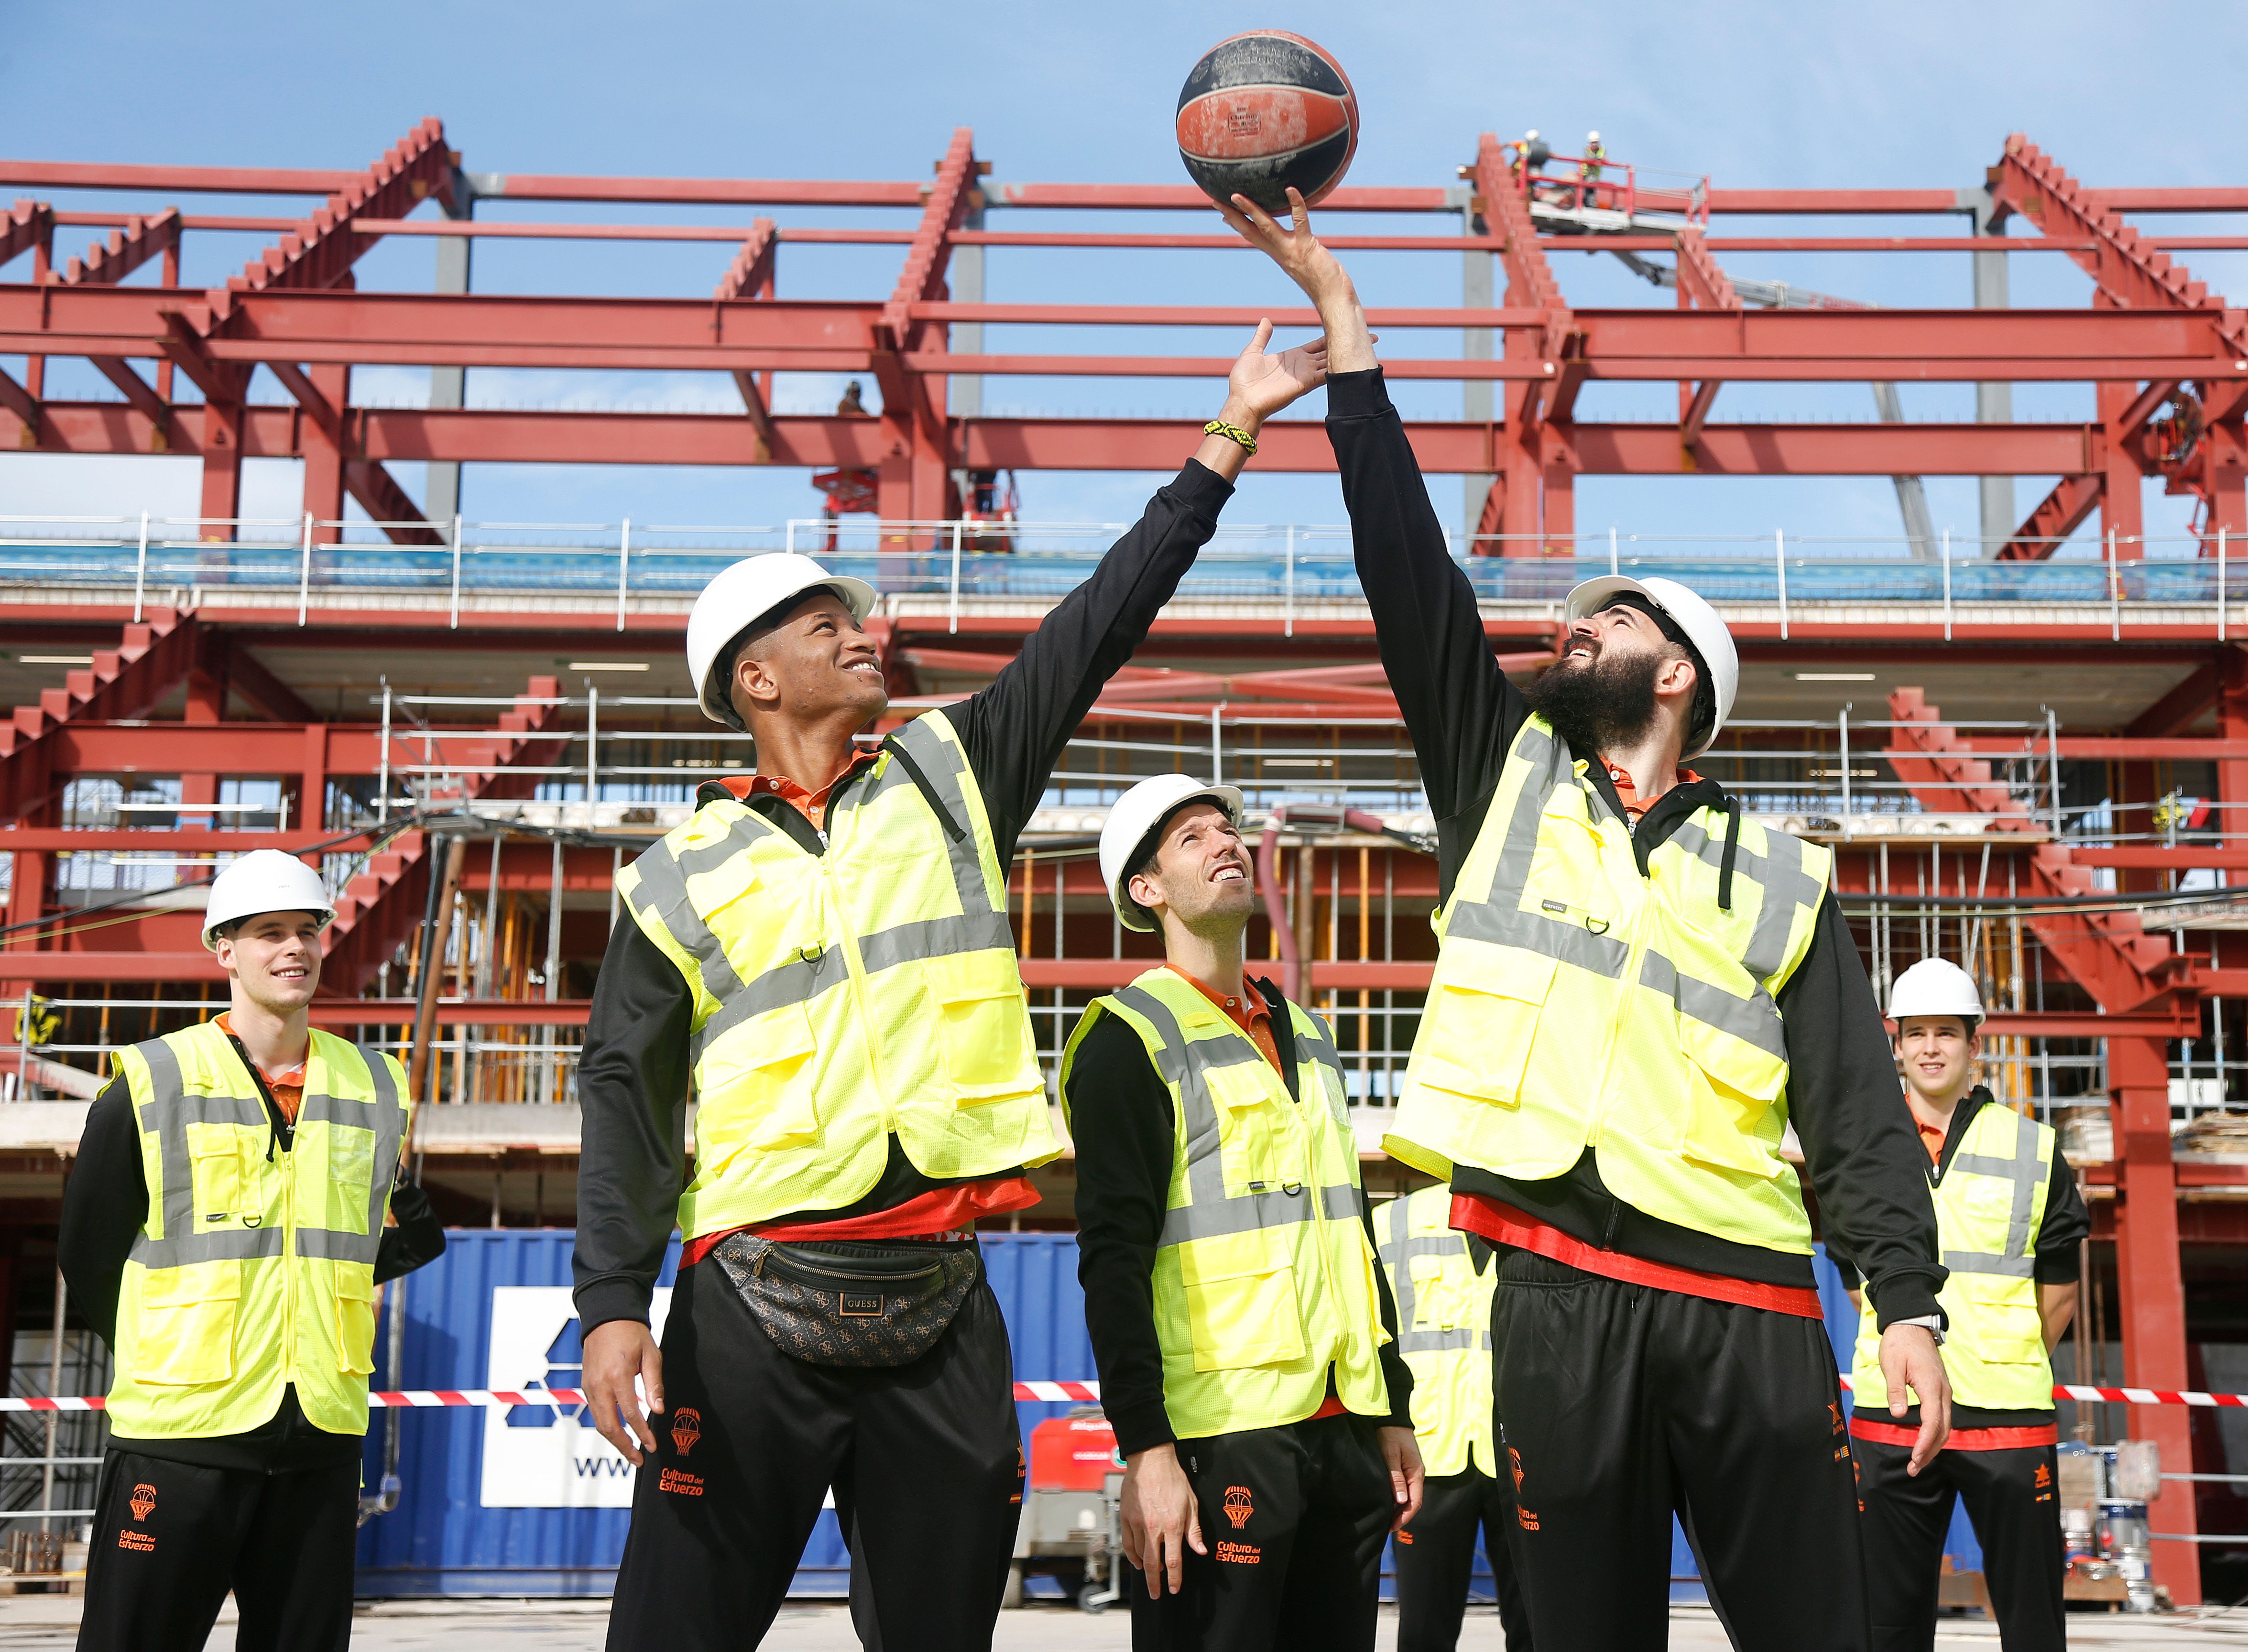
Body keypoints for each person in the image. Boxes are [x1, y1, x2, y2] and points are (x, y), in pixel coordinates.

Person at [1221, 185, 1952, 1652]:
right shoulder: (1504, 783)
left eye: (1614, 622)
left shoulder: (1781, 874)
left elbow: (1857, 1114)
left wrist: (1911, 1308)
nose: (1577, 627)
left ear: (1679, 677)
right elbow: (1406, 580)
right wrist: (1347, 339)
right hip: (1555, 1293)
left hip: (1747, 1304)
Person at [573, 321, 1331, 1652]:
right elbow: (626, 1095)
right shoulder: (674, 873)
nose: (867, 633)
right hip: (750, 1303)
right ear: (756, 679)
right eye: (829, 627)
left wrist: (1229, 437)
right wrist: (613, 1308)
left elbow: (1095, 626)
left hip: (939, 1299)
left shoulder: (947, 778)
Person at [1061, 774, 1423, 1651]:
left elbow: (1348, 1234)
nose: (1225, 841)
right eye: (1191, 838)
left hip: (1343, 1432)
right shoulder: (1126, 1039)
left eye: (1227, 828)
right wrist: (1145, 1449)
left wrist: (1392, 1407)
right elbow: (1114, 1259)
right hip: (1219, 1434)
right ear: (1144, 892)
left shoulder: (1307, 1034)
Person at [61, 848, 445, 1652]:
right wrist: (168, 1352)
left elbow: (392, 1236)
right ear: (222, 948)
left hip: (319, 1436)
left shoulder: (372, 1084)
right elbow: (89, 1257)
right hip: (182, 1436)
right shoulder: (154, 1079)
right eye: (269, 933)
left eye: (307, 930)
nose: (294, 948)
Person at [1837, 958, 2088, 1652]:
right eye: (1914, 1033)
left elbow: (2059, 1290)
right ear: (1895, 1043)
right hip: (1894, 1417)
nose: (1928, 1048)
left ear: (1973, 1043)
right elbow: (1856, 1276)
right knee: (1885, 1624)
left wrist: (1998, 1349)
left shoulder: (2033, 1148)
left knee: (2032, 1626)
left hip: (2007, 1421)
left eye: (1945, 1032)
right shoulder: (1861, 1149)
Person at [1379, 1183, 1530, 1652]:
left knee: (1537, 1627)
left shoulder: (1537, 1219)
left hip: (1522, 1453)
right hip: (1427, 1454)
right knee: (1425, 1628)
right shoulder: (1393, 1223)